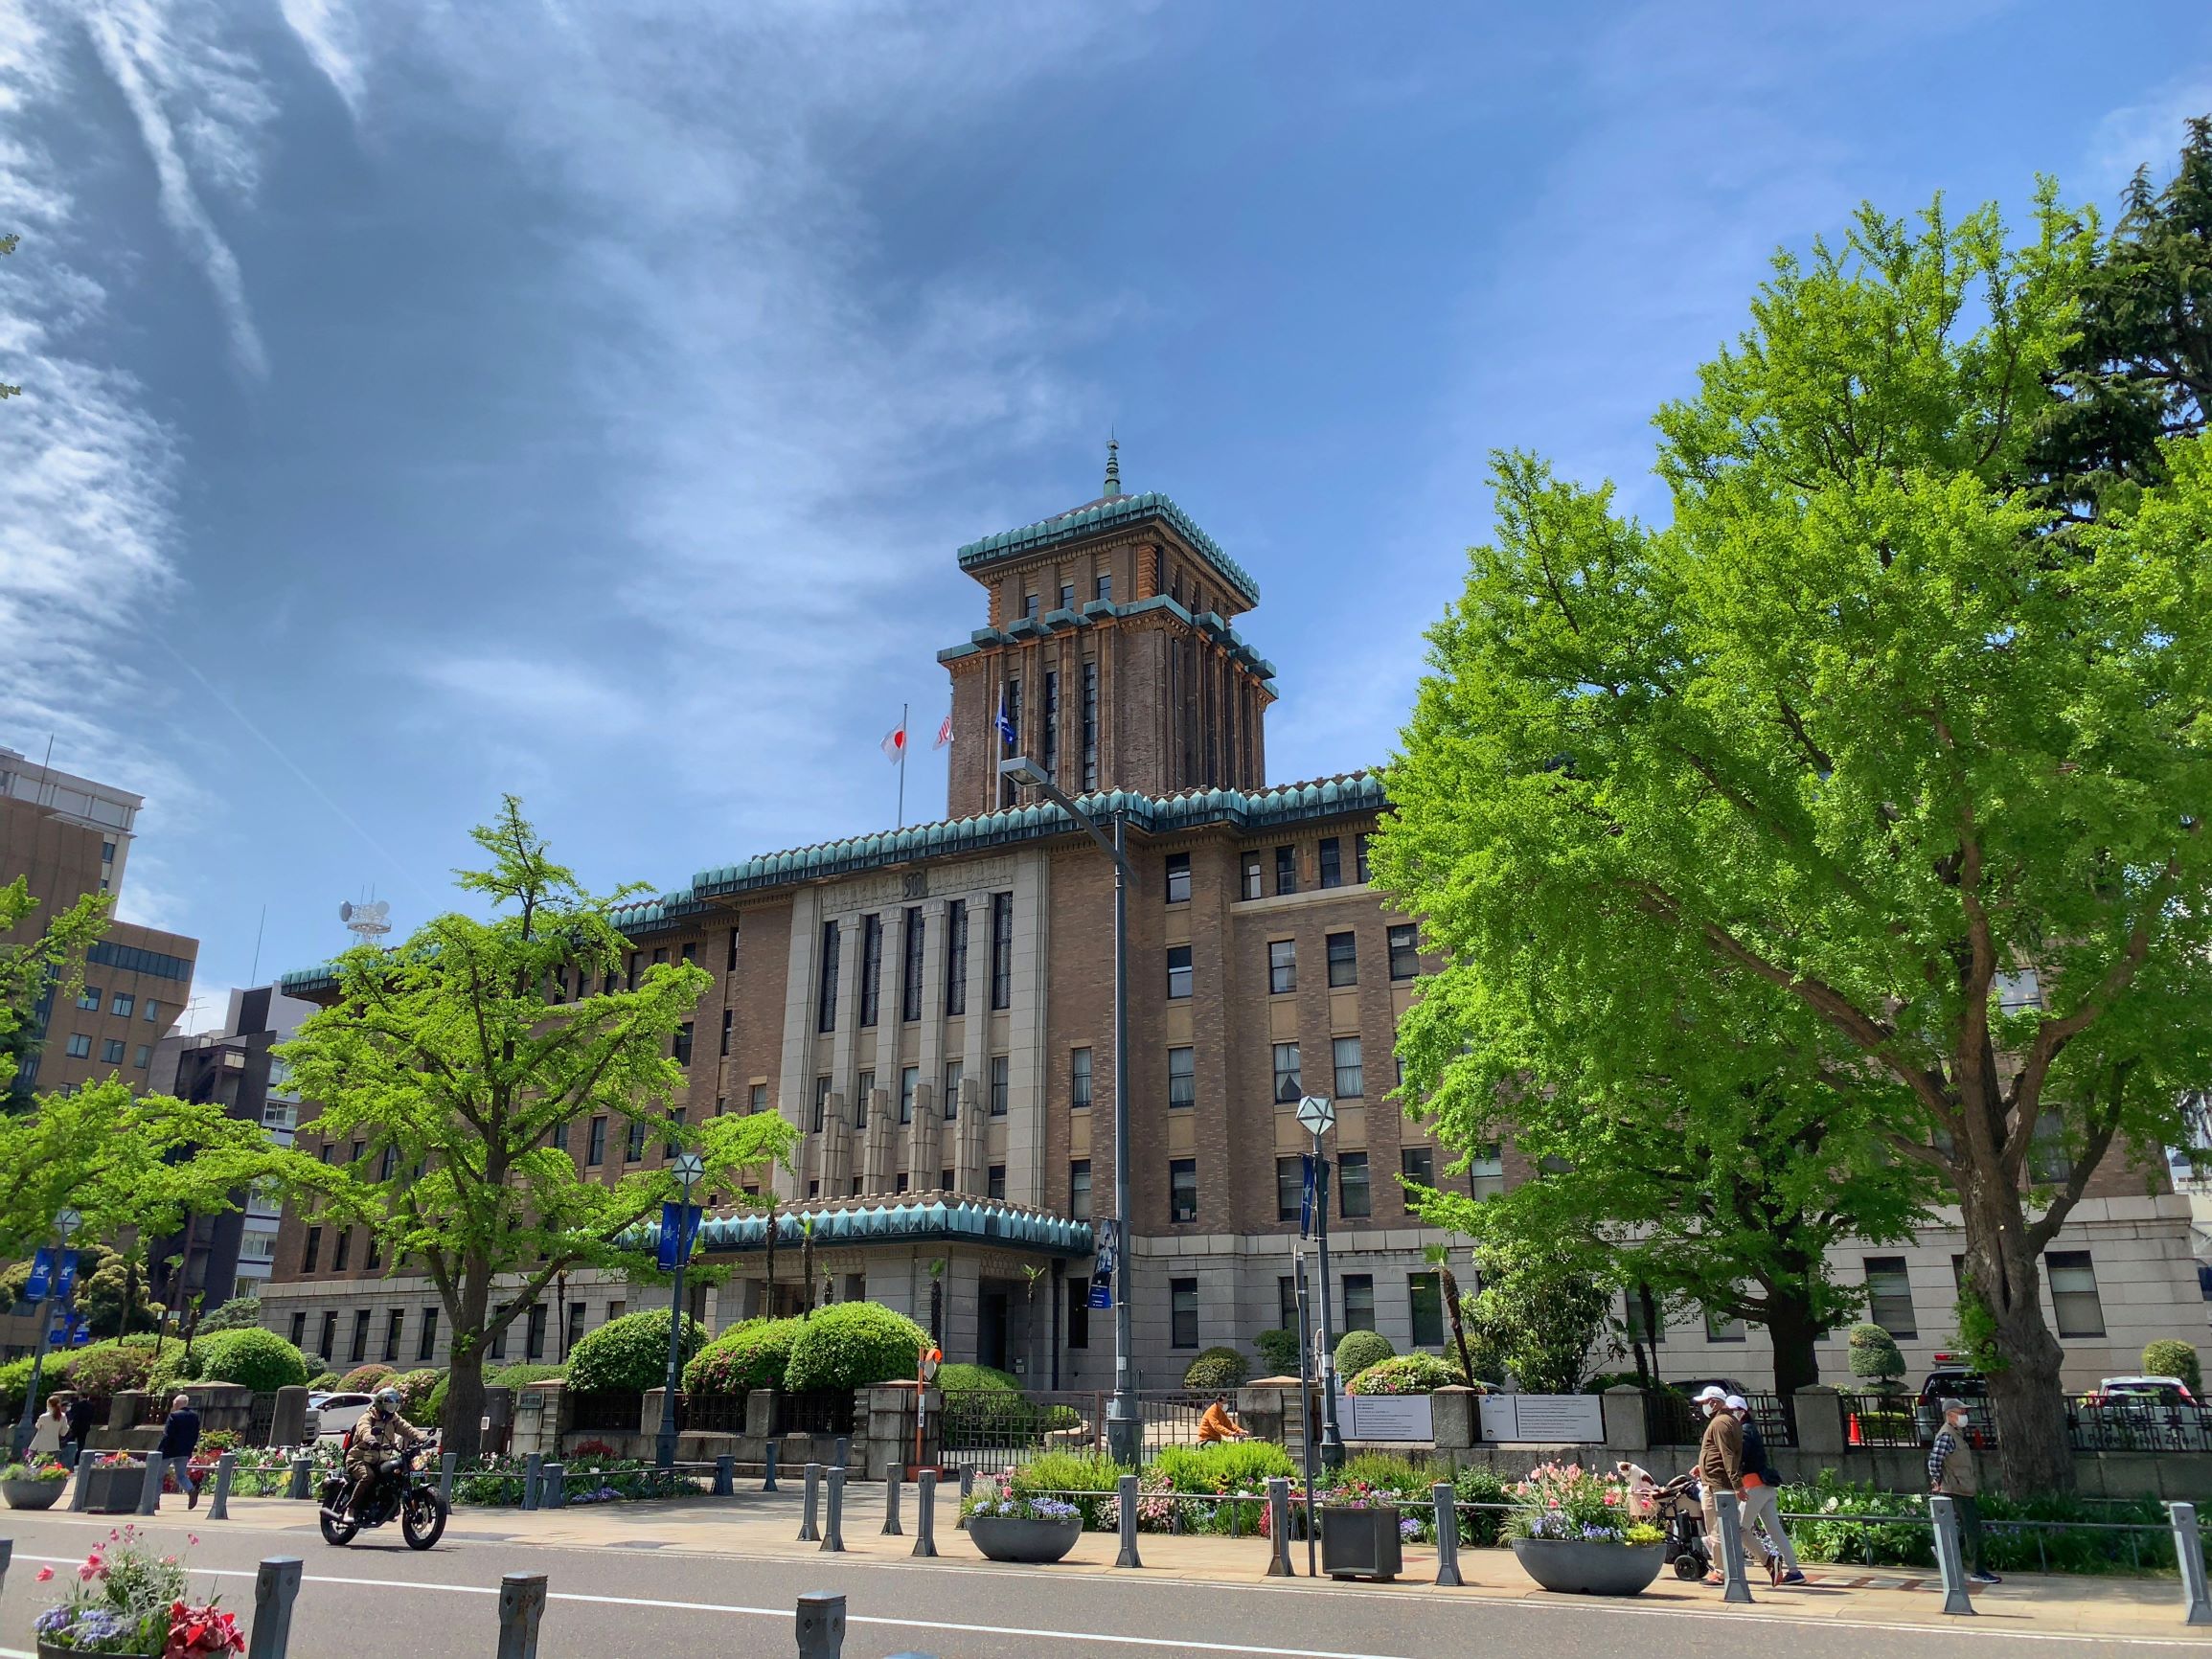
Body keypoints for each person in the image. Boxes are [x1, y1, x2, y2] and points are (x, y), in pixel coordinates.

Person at [1693, 1384, 1770, 1586]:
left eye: (1703, 1403)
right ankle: (1767, 1560)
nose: (1702, 1407)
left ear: (1713, 1402)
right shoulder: (1729, 1422)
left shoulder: (1720, 1423)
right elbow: (1725, 1454)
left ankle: (1720, 1572)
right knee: (1729, 1528)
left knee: (1717, 1530)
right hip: (1718, 1482)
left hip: (1717, 1485)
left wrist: (1737, 1484)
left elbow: (1728, 1455)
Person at [1728, 1395, 1804, 1585]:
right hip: (1765, 1487)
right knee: (1775, 1530)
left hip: (1753, 1487)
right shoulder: (1751, 1429)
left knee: (1738, 1529)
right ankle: (1794, 1571)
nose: (1728, 1415)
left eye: (1731, 1411)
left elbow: (1739, 1459)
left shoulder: (1744, 1431)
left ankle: (1768, 1562)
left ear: (1741, 1411)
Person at [1928, 1397, 1998, 1584]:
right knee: (1972, 1528)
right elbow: (1934, 1460)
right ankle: (1978, 1571)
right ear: (1950, 1415)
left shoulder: (1955, 1433)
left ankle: (1941, 1548)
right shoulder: (1947, 1435)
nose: (1964, 1416)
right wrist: (1937, 1481)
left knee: (1967, 1526)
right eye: (1961, 1413)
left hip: (1960, 1487)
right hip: (1955, 1488)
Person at [338, 1386, 425, 1518]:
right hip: (360, 1458)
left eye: (395, 1405)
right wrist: (370, 1440)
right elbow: (364, 1430)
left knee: (394, 1476)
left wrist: (423, 1438)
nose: (392, 1408)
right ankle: (351, 1509)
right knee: (368, 1477)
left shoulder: (393, 1419)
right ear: (380, 1403)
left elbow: (408, 1429)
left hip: (381, 1459)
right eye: (390, 1405)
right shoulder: (367, 1417)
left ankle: (387, 1505)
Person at [155, 1392, 201, 1511]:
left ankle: (155, 1501)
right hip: (184, 1451)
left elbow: (167, 1435)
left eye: (174, 1403)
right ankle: (191, 1490)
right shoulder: (194, 1416)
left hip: (169, 1451)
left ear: (177, 1403)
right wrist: (190, 1448)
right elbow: (196, 1434)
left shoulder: (174, 1416)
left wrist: (159, 1450)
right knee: (181, 1475)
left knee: (158, 1477)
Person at [61, 1390, 98, 1468]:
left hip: (75, 1426)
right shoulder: (91, 1406)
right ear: (87, 1397)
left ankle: (67, 1457)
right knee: (81, 1444)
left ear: (81, 1397)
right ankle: (77, 1460)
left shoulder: (76, 1405)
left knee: (69, 1442)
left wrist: (69, 1425)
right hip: (85, 1427)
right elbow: (92, 1417)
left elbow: (71, 1416)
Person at [28, 1393, 67, 1460]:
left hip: (40, 1444)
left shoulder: (43, 1416)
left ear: (48, 1404)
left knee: (38, 1464)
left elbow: (37, 1426)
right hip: (54, 1445)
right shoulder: (62, 1416)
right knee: (52, 1465)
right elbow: (64, 1432)